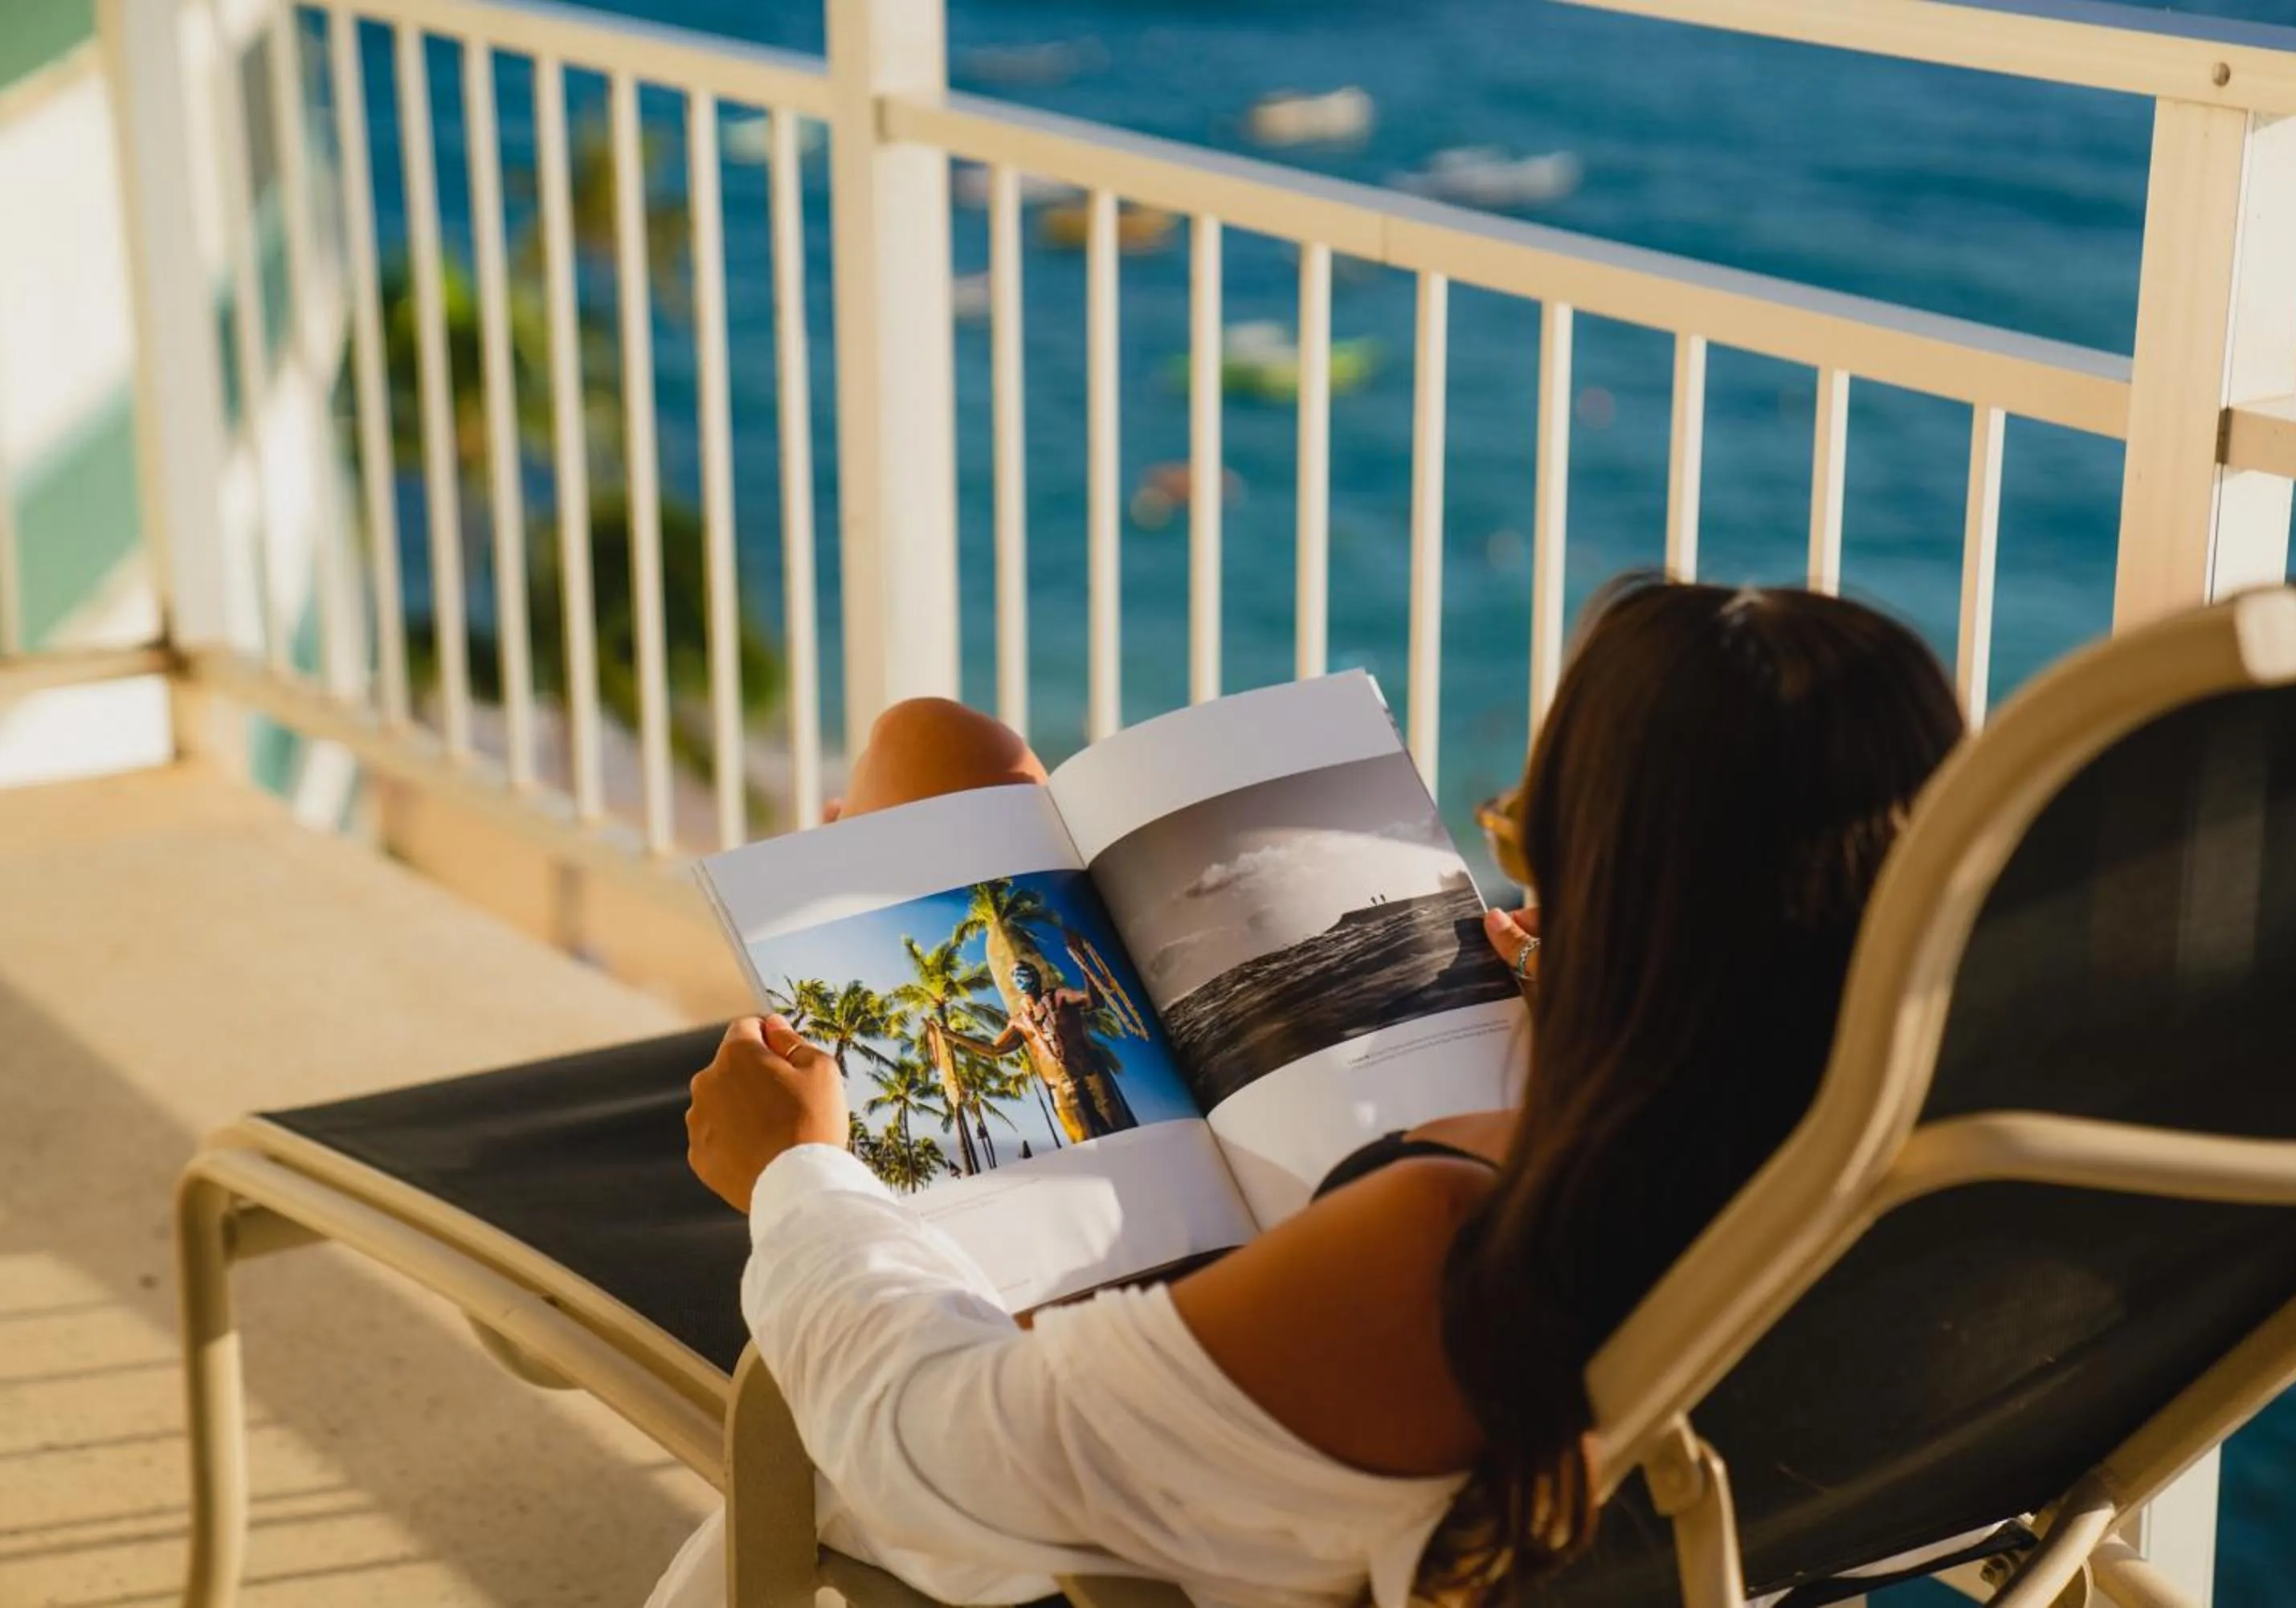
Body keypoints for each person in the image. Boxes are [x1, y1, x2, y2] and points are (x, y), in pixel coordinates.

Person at [656, 576, 1964, 1608]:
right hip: (1580, 1492)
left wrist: (798, 1174)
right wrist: (1595, 1012)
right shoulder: (1950, 1159)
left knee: (919, 781)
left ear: (1623, 907)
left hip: (1101, 1529)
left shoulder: (1451, 1254)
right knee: (943, 753)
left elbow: (937, 1444)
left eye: (1530, 842)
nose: (1515, 894)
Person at [938, 958, 1136, 1141]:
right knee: (1084, 1139)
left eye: (1025, 971)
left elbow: (1093, 1001)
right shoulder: (1019, 1021)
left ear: (1037, 974)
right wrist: (953, 1036)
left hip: (1091, 1073)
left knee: (1119, 1127)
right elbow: (994, 1049)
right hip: (1062, 1089)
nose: (1021, 977)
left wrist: (1082, 960)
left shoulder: (1059, 997)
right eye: (1016, 974)